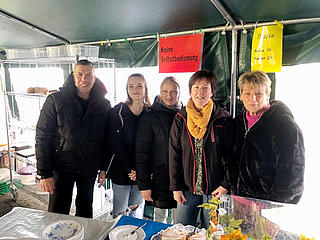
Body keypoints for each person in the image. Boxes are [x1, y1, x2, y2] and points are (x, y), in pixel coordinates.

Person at [36, 59, 111, 218]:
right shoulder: (55, 100)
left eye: (88, 75)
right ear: (73, 75)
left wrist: (104, 167)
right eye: (80, 74)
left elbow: (106, 139)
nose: (84, 79)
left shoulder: (104, 104)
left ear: (94, 78)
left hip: (89, 166)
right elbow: (42, 135)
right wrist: (45, 173)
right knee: (57, 211)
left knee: (85, 209)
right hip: (62, 164)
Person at [223, 70, 305, 203]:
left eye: (258, 93)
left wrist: (274, 205)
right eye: (247, 93)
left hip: (267, 204)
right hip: (239, 200)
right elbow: (230, 161)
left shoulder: (283, 125)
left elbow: (292, 173)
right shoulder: (237, 123)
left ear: (267, 94)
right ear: (241, 95)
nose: (252, 99)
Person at [169, 70, 229, 228]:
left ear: (212, 91)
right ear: (190, 91)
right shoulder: (181, 118)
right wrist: (176, 187)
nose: (200, 92)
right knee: (180, 230)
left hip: (215, 191)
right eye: (196, 88)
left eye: (205, 88)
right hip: (187, 189)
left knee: (212, 233)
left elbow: (231, 157)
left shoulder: (223, 118)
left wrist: (225, 185)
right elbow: (174, 154)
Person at [136, 77, 181, 223]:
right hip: (158, 176)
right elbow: (142, 152)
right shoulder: (150, 115)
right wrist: (144, 184)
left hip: (182, 177)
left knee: (179, 220)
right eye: (165, 91)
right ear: (160, 92)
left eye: (173, 91)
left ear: (179, 93)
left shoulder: (186, 114)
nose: (169, 95)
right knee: (159, 218)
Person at [107, 73, 151, 219]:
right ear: (127, 89)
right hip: (122, 169)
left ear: (145, 88)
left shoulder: (151, 113)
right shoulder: (117, 111)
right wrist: (131, 170)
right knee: (120, 213)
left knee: (136, 212)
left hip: (143, 171)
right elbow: (115, 144)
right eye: (131, 86)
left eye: (139, 86)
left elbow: (153, 146)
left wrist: (141, 171)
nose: (135, 89)